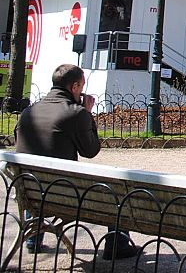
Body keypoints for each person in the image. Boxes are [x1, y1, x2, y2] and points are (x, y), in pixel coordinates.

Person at [15, 64, 139, 260]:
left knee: (36, 177)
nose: (82, 91)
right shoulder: (75, 113)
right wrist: (87, 114)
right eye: (81, 86)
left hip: (30, 192)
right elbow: (90, 151)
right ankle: (118, 244)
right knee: (116, 190)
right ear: (74, 87)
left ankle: (33, 239)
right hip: (64, 195)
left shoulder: (28, 113)